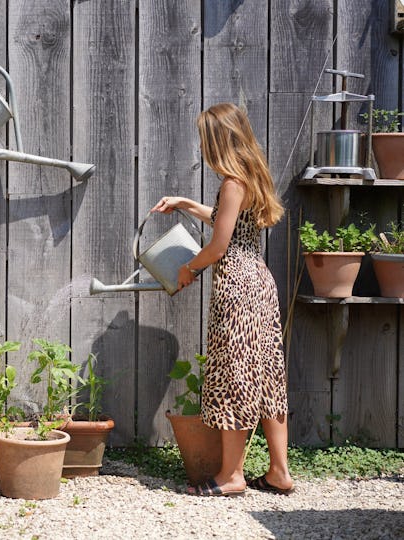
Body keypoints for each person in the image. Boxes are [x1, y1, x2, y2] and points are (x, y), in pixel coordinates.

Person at [151, 103, 294, 497]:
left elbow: (218, 245)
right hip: (260, 284)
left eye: (204, 137)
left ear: (218, 140)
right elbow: (225, 219)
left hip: (238, 288)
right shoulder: (251, 176)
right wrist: (185, 203)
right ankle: (279, 472)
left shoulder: (232, 182)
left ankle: (232, 476)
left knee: (235, 379)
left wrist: (189, 269)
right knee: (266, 378)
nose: (201, 145)